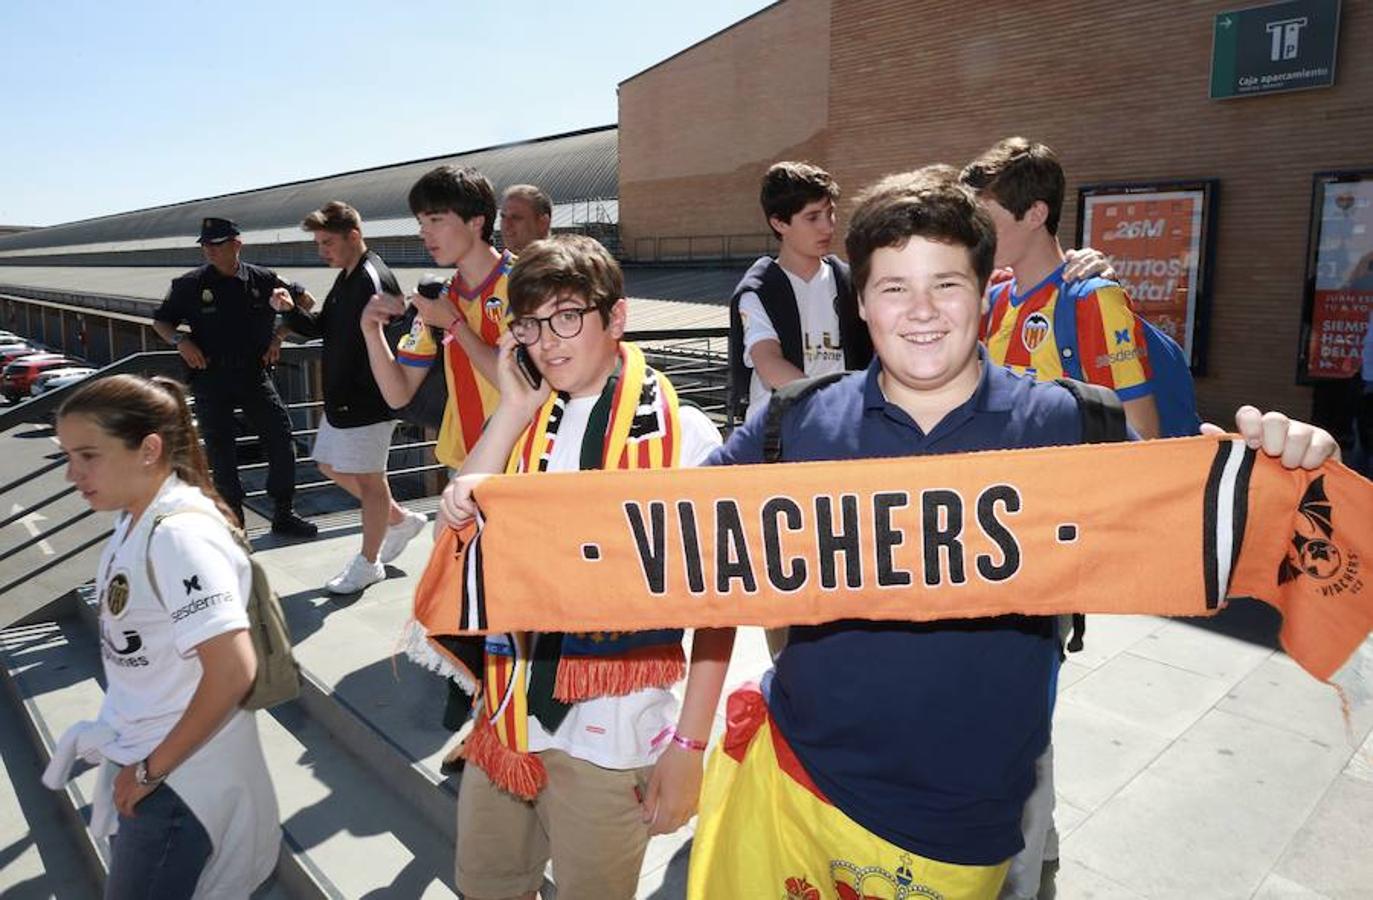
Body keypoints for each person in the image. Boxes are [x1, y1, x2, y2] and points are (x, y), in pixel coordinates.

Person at [686, 167, 1338, 899]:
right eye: (894, 287)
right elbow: (657, 535)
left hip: (960, 824)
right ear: (861, 302)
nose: (921, 311)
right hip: (796, 785)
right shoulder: (794, 423)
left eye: (946, 284)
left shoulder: (1066, 423)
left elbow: (1202, 523)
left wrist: (1290, 476)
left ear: (984, 292)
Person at [435, 235, 733, 900]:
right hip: (508, 715)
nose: (548, 341)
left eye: (567, 316)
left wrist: (687, 750)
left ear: (615, 318)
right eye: (531, 324)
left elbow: (719, 607)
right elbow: (455, 533)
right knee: (485, 885)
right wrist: (511, 407)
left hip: (613, 734)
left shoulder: (683, 436)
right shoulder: (526, 422)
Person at [51, 374, 280, 898]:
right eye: (68, 455)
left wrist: (152, 771)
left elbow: (233, 670)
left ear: (149, 449)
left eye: (88, 455)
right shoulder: (135, 519)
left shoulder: (180, 537)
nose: (72, 473)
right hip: (154, 757)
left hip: (179, 780)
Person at [272, 201, 427, 594]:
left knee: (371, 483)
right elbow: (323, 327)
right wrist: (290, 313)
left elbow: (396, 335)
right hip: (344, 398)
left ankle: (369, 562)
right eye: (318, 243)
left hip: (369, 400)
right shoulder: (347, 277)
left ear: (353, 236)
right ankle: (399, 520)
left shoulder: (371, 277)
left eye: (327, 242)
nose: (321, 250)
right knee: (326, 462)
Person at [962, 138, 1162, 440]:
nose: (976, 234)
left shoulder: (1093, 299)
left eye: (986, 220)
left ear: (1036, 214)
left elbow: (1143, 435)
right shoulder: (993, 297)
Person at [151, 216, 317, 537]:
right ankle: (234, 522)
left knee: (281, 438)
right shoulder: (189, 285)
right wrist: (181, 341)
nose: (208, 251)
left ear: (236, 245)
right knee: (221, 450)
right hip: (210, 377)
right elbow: (161, 322)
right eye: (205, 246)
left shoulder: (264, 278)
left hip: (254, 375)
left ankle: (283, 513)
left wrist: (279, 335)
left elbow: (307, 302)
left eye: (216, 244)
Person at [361, 166, 511, 471]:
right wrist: (371, 331)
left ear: (476, 222)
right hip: (464, 464)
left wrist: (456, 326)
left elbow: (516, 384)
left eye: (436, 220)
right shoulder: (436, 299)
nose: (423, 232)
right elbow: (398, 394)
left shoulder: (526, 285)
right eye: (421, 221)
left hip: (522, 462)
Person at [499, 184, 553, 254]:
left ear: (543, 223)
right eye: (503, 216)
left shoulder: (561, 263)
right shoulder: (499, 262)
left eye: (516, 218)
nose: (506, 225)